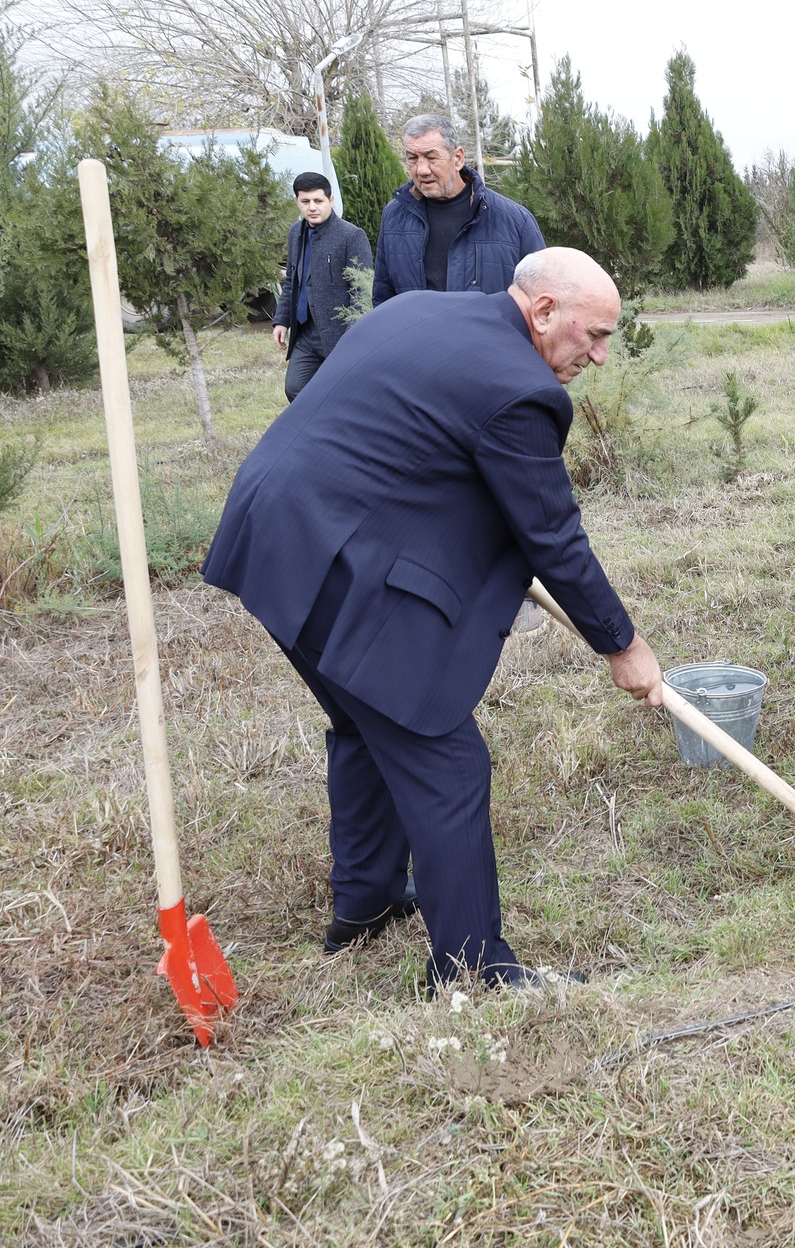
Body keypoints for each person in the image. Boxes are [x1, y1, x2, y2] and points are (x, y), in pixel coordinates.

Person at [203, 248, 663, 990]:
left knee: (363, 721)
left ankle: (367, 900)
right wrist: (624, 645)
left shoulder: (420, 309)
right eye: (596, 335)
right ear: (545, 311)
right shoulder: (522, 390)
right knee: (446, 763)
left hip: (271, 533)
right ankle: (472, 968)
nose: (601, 356)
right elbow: (554, 536)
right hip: (331, 551)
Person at [371, 113, 544, 305]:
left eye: (431, 157)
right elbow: (383, 300)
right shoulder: (395, 216)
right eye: (412, 158)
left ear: (458, 158)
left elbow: (541, 300)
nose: (421, 170)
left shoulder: (515, 221)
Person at [271, 171, 372, 401]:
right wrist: (282, 320)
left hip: (339, 336)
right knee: (295, 389)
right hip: (305, 333)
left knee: (344, 394)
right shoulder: (295, 233)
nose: (312, 207)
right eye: (305, 201)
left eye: (318, 200)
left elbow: (362, 292)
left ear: (331, 200)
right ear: (297, 201)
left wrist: (352, 336)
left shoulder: (352, 236)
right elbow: (292, 280)